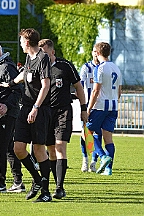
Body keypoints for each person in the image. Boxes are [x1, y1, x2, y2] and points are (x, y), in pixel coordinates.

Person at [6, 28, 52, 202]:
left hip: (38, 109)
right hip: (25, 107)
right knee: (18, 148)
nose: (20, 44)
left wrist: (36, 107)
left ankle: (46, 192)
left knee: (39, 149)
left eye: (21, 41)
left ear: (26, 41)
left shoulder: (43, 58)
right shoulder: (28, 58)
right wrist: (9, 83)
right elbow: (25, 75)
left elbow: (45, 85)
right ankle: (37, 180)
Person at [39, 39, 88, 199]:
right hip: (46, 113)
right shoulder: (39, 67)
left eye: (45, 53)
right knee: (51, 150)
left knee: (60, 147)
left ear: (52, 52)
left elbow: (78, 87)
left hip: (63, 111)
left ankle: (60, 187)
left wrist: (83, 108)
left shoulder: (65, 66)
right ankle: (55, 182)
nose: (42, 56)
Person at [0, 41, 26, 193]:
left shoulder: (7, 67)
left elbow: (18, 90)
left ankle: (1, 182)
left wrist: (7, 105)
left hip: (6, 113)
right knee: (9, 148)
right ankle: (18, 181)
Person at [86, 42, 122, 176]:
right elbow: (119, 91)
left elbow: (95, 90)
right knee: (108, 138)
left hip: (100, 106)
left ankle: (102, 156)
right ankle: (108, 170)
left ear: (98, 53)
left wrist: (89, 108)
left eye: (95, 51)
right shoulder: (116, 68)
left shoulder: (100, 68)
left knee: (87, 132)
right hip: (113, 106)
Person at [79, 48, 100, 172]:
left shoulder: (104, 68)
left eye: (97, 51)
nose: (95, 54)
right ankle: (85, 160)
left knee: (98, 134)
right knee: (85, 134)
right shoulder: (86, 67)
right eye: (94, 51)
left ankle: (94, 161)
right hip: (87, 106)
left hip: (100, 106)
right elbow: (80, 86)